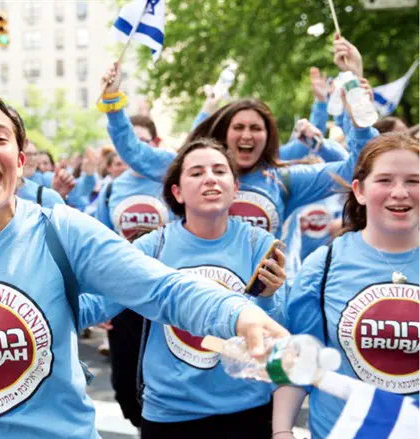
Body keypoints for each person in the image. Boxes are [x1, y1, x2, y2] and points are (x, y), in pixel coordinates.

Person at [0, 96, 288, 438]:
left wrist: (241, 315)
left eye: (0, 139)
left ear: (20, 163)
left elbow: (162, 289)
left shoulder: (62, 230)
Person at [82, 138, 286, 438]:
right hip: (170, 413)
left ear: (235, 187)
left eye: (219, 171)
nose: (210, 179)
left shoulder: (260, 244)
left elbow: (276, 335)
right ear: (176, 192)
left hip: (248, 408)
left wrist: (268, 299)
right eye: (197, 172)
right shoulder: (153, 246)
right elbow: (98, 301)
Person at [100, 35, 378, 238]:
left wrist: (354, 89)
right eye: (239, 127)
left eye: (256, 128)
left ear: (268, 138)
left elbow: (359, 168)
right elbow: (134, 152)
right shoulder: (189, 169)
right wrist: (112, 100)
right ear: (224, 133)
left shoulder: (284, 181)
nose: (247, 135)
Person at [274, 132, 419, 439]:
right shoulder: (323, 265)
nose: (400, 192)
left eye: (413, 181)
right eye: (385, 180)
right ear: (359, 190)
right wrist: (282, 431)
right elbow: (300, 359)